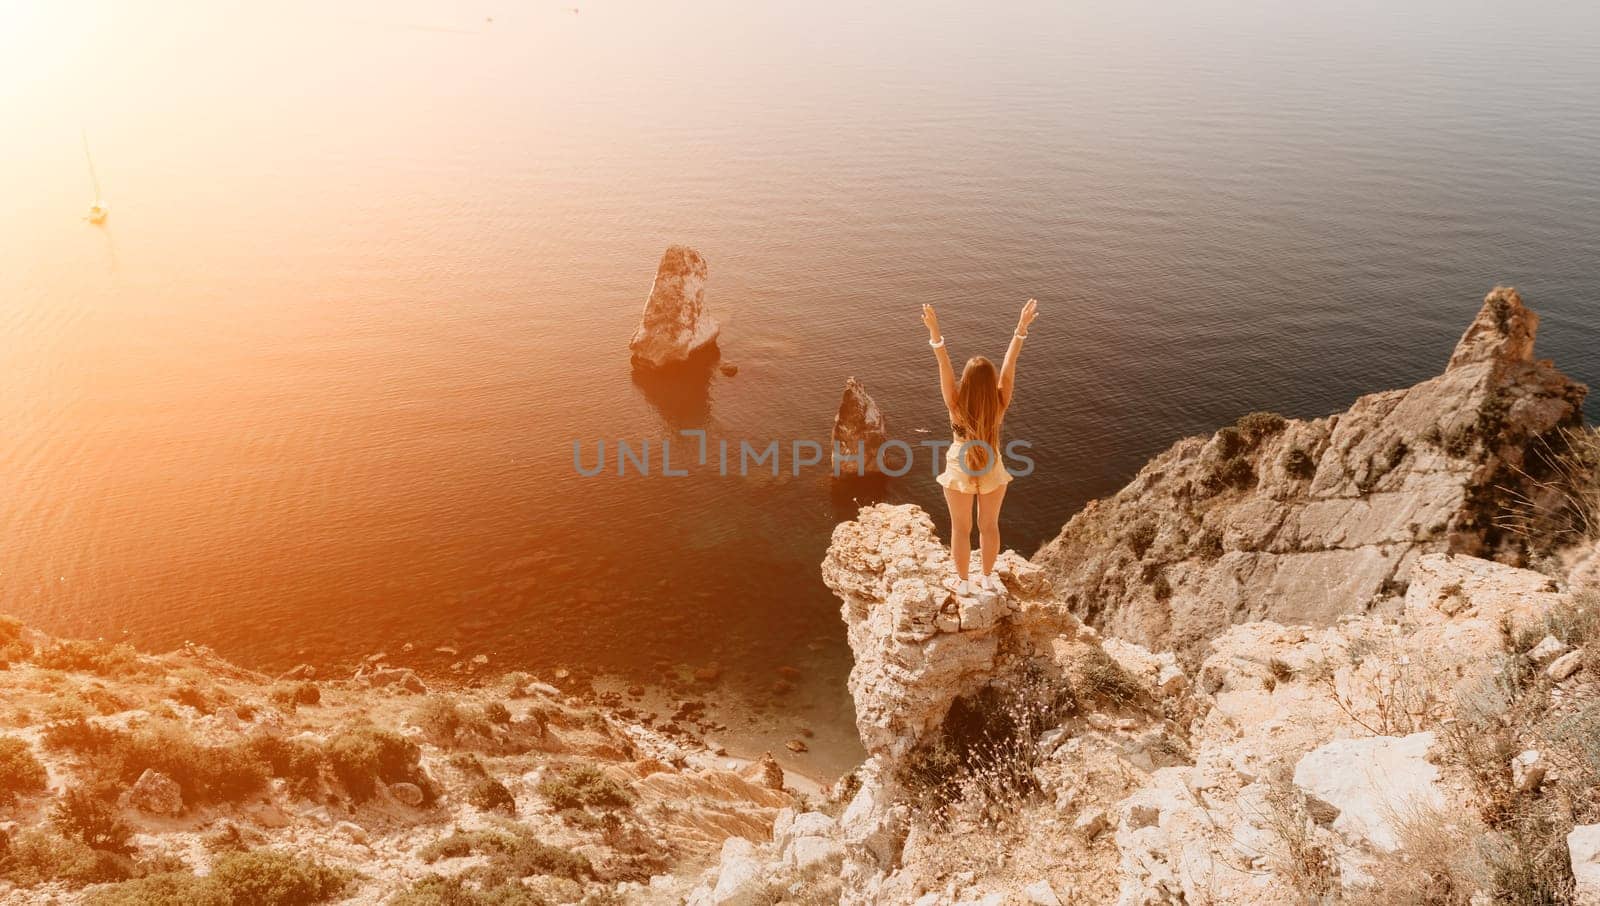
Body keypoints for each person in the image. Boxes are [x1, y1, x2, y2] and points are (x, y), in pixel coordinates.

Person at [921, 298, 1038, 595]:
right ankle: (986, 578)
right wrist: (1020, 329)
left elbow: (943, 363)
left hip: (960, 465)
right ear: (991, 384)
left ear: (966, 382)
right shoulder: (999, 402)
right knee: (989, 526)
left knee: (960, 530)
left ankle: (962, 583)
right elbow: (1010, 366)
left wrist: (935, 332)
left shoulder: (955, 403)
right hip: (992, 465)